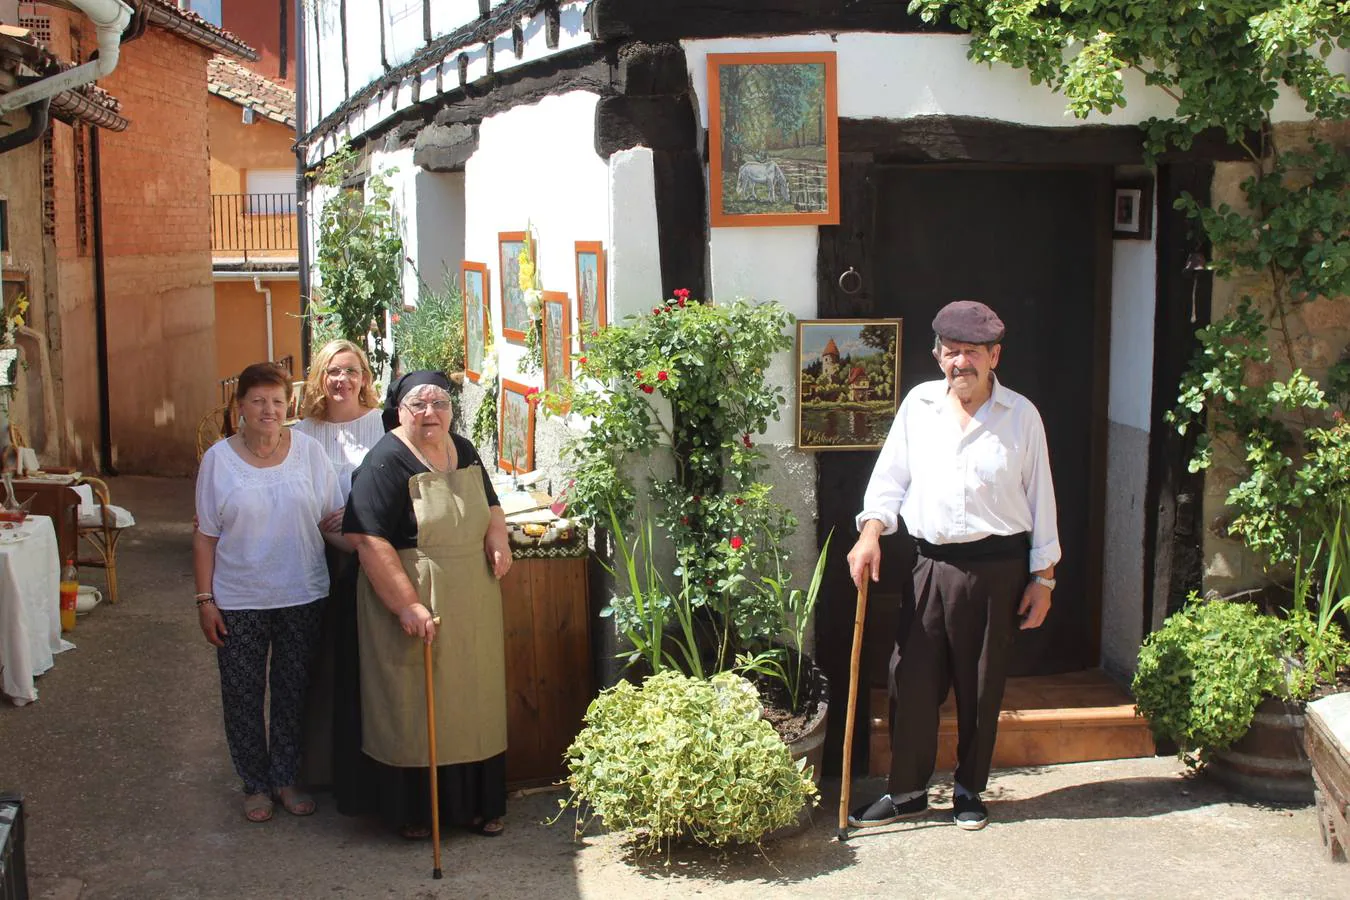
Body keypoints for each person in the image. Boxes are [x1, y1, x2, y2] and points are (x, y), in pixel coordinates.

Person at [845, 300, 1060, 832]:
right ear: (937, 353)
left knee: (980, 686)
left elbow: (1042, 500)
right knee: (910, 678)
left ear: (994, 356)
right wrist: (871, 531)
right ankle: (908, 792)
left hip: (998, 570)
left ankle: (968, 790)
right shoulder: (919, 404)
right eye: (950, 351)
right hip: (930, 565)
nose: (959, 362)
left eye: (971, 352)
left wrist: (1044, 577)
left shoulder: (1021, 416)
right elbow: (890, 477)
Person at [341, 371, 512, 839]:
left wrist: (498, 537)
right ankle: (417, 812)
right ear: (400, 410)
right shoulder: (384, 462)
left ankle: (479, 805)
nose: (430, 412)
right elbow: (367, 540)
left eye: (439, 402)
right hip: (414, 596)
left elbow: (491, 505)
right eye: (419, 405)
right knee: (418, 707)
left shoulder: (466, 449)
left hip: (472, 599)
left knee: (474, 703)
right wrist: (406, 606)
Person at [194, 362, 347, 823]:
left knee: (292, 692)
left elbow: (331, 519)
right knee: (242, 694)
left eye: (277, 401)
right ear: (239, 406)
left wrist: (373, 546)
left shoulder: (309, 454)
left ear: (289, 406)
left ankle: (284, 777)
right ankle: (255, 784)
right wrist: (205, 601)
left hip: (302, 592)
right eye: (258, 400)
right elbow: (204, 534)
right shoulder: (218, 460)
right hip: (239, 598)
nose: (269, 409)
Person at [292, 340, 385, 799]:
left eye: (350, 371)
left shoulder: (383, 426)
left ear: (365, 378)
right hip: (314, 554)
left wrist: (352, 523)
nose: (341, 380)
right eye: (332, 371)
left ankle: (363, 763)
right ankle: (315, 766)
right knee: (315, 658)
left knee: (362, 658)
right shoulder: (302, 433)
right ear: (319, 378)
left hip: (366, 557)